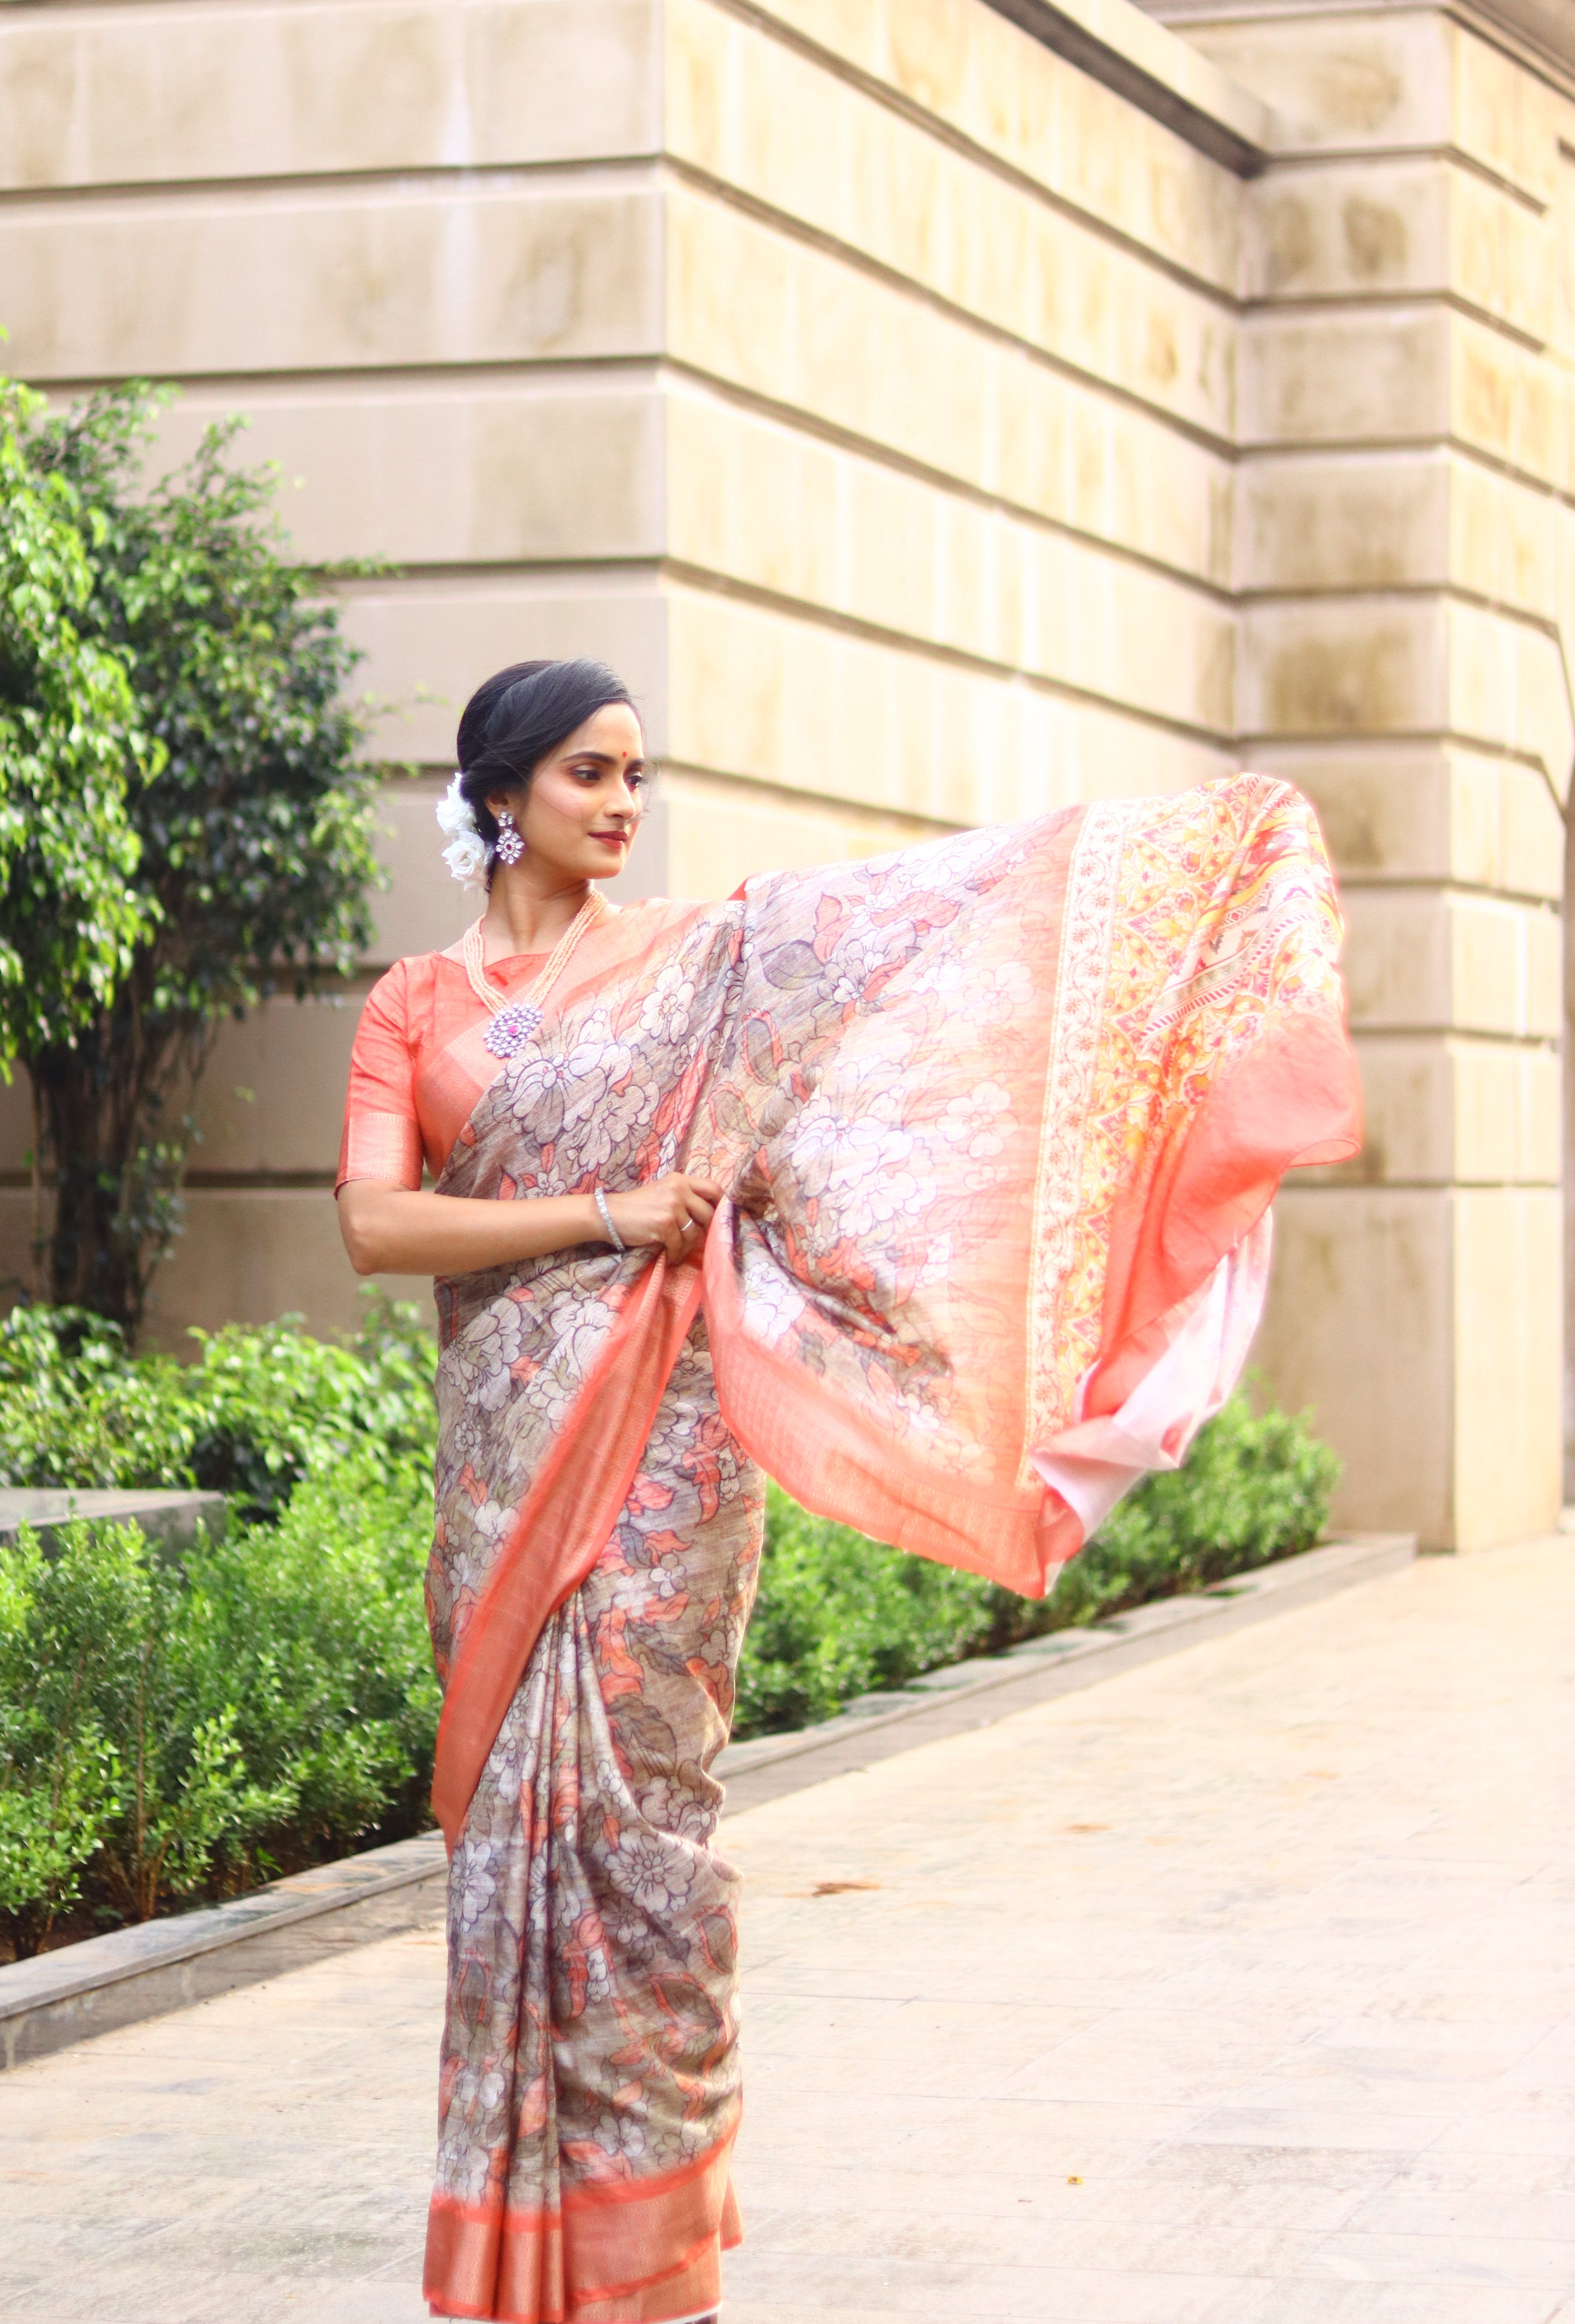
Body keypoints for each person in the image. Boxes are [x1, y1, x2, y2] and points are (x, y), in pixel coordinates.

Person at [335, 657, 1361, 2324]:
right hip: (503, 1466)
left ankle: (650, 2260)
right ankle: (531, 2253)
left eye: (636, 777)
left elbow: (912, 933)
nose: (621, 804)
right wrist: (608, 1213)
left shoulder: (709, 960)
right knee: (515, 1846)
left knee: (650, 1843)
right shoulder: (412, 1006)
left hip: (664, 1460)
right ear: (502, 791)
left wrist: (1173, 880)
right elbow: (376, 1226)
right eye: (590, 774)